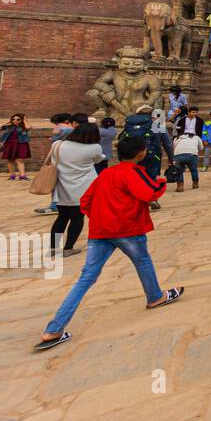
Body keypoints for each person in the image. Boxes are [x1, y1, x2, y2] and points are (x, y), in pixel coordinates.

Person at [34, 135, 183, 351]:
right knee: (142, 262)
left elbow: (86, 201)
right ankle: (155, 297)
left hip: (101, 230)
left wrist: (101, 217)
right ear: (141, 154)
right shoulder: (133, 173)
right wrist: (161, 183)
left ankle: (54, 329)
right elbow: (148, 193)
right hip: (127, 228)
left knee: (87, 278)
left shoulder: (106, 174)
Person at [49, 121, 105, 255]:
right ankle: (68, 247)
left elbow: (52, 160)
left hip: (62, 185)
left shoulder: (57, 145)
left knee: (61, 217)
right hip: (83, 187)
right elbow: (98, 160)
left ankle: (53, 247)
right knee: (77, 217)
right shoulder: (94, 147)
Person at [0, 113, 32, 180]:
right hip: (9, 143)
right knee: (10, 159)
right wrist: (8, 123)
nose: (15, 120)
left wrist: (25, 120)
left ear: (21, 120)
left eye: (18, 119)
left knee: (20, 159)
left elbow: (28, 127)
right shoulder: (9, 127)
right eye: (13, 119)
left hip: (21, 143)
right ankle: (12, 175)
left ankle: (22, 175)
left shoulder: (23, 127)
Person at [170, 126, 202, 192]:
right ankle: (195, 184)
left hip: (178, 155)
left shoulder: (177, 138)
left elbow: (173, 148)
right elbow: (201, 148)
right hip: (192, 154)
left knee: (179, 171)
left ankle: (180, 186)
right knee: (193, 170)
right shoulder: (196, 137)